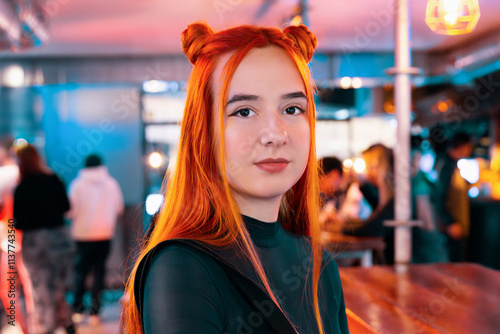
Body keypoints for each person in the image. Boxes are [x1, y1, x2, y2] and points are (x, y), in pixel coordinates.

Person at [123, 23, 349, 334]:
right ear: (204, 134)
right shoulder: (182, 268)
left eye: (292, 108)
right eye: (243, 111)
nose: (275, 134)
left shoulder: (319, 265)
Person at [13, 144, 75, 334]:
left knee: (40, 291)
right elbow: (66, 207)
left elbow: (19, 221)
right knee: (60, 287)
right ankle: (67, 324)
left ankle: (44, 329)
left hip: (35, 242)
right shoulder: (53, 179)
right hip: (59, 238)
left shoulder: (22, 186)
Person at [67, 154, 124, 326]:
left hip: (83, 235)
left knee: (81, 271)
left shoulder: (77, 185)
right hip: (104, 234)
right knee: (99, 271)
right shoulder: (111, 183)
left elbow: (70, 212)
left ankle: (77, 308)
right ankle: (95, 311)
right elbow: (119, 207)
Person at [0, 138, 34, 333]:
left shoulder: (4, 175)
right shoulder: (32, 174)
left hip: (10, 238)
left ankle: (24, 328)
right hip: (31, 238)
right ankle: (35, 326)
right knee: (31, 288)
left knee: (9, 289)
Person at [341, 144, 395, 264]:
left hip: (416, 269)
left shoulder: (398, 201)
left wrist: (343, 227)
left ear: (382, 167)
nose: (369, 172)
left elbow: (371, 228)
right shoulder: (387, 198)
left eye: (372, 166)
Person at [433, 131, 473, 262]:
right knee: (454, 264)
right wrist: (450, 222)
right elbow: (438, 197)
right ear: (463, 146)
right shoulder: (446, 166)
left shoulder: (450, 164)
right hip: (450, 227)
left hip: (454, 225)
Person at [410, 140, 448, 263]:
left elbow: (426, 220)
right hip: (429, 238)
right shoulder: (420, 180)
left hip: (426, 238)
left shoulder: (419, 181)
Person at [318, 157, 345, 232]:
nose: (319, 184)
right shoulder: (323, 196)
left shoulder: (352, 193)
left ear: (334, 175)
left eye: (320, 178)